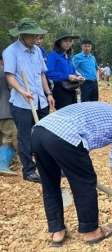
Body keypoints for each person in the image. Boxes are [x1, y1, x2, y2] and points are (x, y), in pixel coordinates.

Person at [31, 100, 112, 247]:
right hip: (64, 136)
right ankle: (92, 231)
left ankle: (57, 233)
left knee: (50, 184)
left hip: (39, 132)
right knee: (85, 182)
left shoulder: (108, 110)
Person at [2, 17, 55, 183]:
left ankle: (49, 167)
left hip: (40, 100)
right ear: (22, 35)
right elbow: (9, 75)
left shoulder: (37, 51)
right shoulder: (11, 51)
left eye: (37, 36)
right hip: (22, 102)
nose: (35, 39)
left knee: (46, 134)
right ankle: (29, 170)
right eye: (32, 36)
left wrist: (49, 93)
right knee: (25, 136)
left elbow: (41, 74)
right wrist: (22, 91)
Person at [45, 29, 85, 110]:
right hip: (60, 90)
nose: (68, 43)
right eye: (65, 41)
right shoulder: (53, 55)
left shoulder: (69, 55)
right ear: (59, 42)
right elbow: (48, 72)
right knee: (64, 115)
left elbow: (72, 72)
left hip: (71, 88)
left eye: (70, 41)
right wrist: (67, 77)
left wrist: (78, 77)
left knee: (73, 113)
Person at [0, 54, 16, 175]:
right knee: (8, 138)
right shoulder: (4, 72)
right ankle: (3, 164)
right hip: (5, 110)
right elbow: (13, 88)